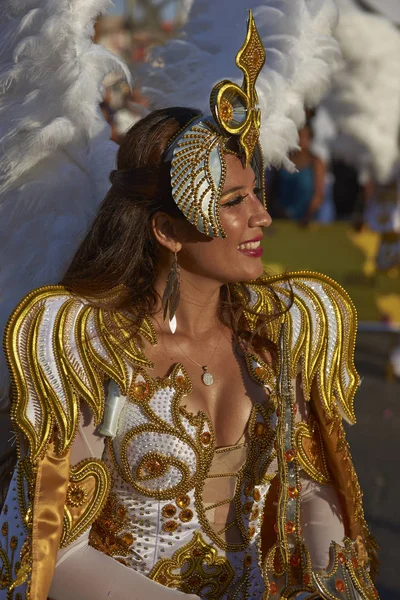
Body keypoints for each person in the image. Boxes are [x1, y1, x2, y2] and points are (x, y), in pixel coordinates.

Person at [0, 5, 379, 600]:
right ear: (168, 231)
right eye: (233, 202)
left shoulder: (275, 334)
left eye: (256, 193)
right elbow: (55, 546)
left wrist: (329, 574)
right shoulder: (87, 348)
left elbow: (306, 482)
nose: (262, 217)